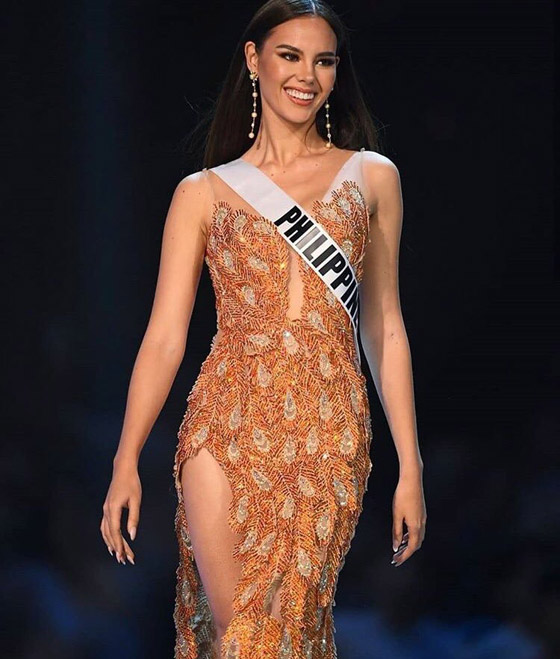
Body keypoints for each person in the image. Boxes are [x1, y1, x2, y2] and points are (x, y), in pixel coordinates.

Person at [100, 0, 427, 656]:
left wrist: (410, 464)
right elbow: (164, 336)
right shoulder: (202, 192)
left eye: (323, 61)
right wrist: (125, 459)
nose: (307, 74)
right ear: (254, 60)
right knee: (242, 634)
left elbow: (385, 327)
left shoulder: (373, 177)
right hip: (223, 423)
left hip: (329, 429)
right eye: (289, 56)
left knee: (287, 631)